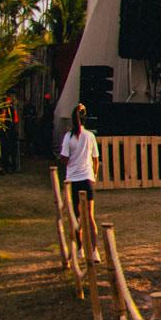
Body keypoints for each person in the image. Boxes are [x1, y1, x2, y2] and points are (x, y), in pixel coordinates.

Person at [58, 105, 100, 264]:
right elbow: (95, 159)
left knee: (76, 216)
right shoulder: (90, 136)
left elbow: (64, 158)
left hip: (73, 179)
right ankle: (95, 251)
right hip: (87, 178)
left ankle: (80, 248)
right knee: (89, 216)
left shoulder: (68, 137)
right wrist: (94, 175)